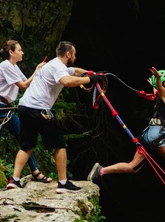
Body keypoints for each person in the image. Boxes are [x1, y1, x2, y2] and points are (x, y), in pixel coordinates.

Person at [87, 66, 165, 207]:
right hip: (157, 135)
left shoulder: (159, 96)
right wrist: (157, 79)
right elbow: (160, 89)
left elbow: (157, 90)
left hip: (149, 134)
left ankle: (101, 170)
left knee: (133, 167)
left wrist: (156, 83)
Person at [6, 41, 103, 193]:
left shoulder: (54, 64)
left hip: (24, 107)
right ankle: (63, 183)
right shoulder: (58, 67)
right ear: (68, 54)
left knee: (27, 145)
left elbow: (73, 71)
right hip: (40, 109)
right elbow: (67, 81)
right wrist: (89, 80)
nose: (75, 57)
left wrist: (91, 74)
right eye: (74, 54)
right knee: (60, 144)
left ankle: (15, 180)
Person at [0, 40, 52, 184]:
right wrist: (36, 69)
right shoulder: (5, 65)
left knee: (25, 139)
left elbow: (29, 84)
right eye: (20, 50)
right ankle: (33, 172)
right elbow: (23, 85)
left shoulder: (14, 67)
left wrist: (43, 73)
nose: (22, 52)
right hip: (1, 108)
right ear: (11, 52)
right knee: (25, 138)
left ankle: (35, 172)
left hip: (7, 109)